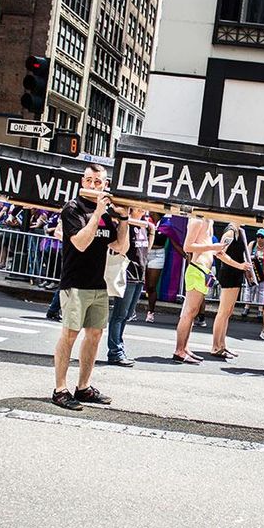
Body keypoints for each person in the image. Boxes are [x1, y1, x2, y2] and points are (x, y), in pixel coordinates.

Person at [51, 164, 129, 410]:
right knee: (70, 335)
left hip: (98, 283)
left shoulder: (107, 214)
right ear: (82, 182)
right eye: (89, 180)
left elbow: (120, 247)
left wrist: (124, 218)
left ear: (105, 184)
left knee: (94, 335)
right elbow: (81, 243)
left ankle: (83, 387)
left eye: (98, 182)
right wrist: (97, 212)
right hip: (74, 283)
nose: (93, 185)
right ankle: (60, 389)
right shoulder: (73, 209)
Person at [172, 218, 227, 364]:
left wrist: (216, 250)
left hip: (203, 270)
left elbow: (204, 244)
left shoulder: (209, 221)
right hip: (197, 269)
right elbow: (187, 247)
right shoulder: (197, 220)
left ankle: (184, 347)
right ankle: (179, 350)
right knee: (189, 312)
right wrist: (212, 247)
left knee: (193, 312)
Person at [107, 209, 152, 366]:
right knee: (119, 314)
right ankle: (115, 352)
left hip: (139, 274)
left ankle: (118, 349)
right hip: (128, 273)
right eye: (138, 206)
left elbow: (146, 250)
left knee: (126, 315)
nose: (142, 209)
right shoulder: (127, 224)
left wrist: (151, 231)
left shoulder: (143, 225)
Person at [210, 222, 252, 358]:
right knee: (223, 311)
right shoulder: (230, 232)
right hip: (229, 273)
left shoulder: (239, 231)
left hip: (236, 273)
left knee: (228, 312)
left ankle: (222, 345)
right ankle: (216, 346)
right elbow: (219, 253)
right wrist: (239, 265)